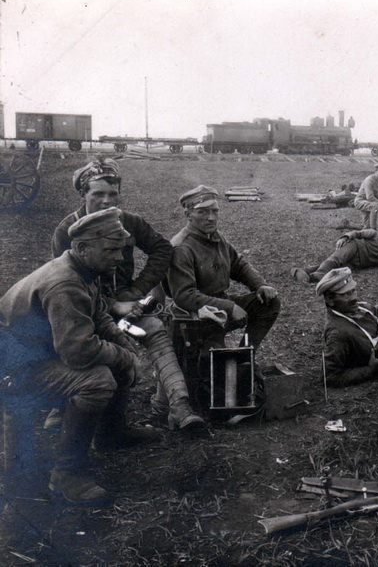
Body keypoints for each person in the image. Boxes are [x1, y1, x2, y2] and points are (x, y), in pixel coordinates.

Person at [0, 208, 161, 505]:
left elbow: (99, 316)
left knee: (114, 358)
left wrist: (123, 346)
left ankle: (111, 434)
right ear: (82, 248)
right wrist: (124, 358)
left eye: (120, 249)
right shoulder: (65, 283)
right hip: (14, 370)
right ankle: (66, 474)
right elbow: (78, 351)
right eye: (111, 250)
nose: (118, 257)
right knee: (97, 379)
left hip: (36, 355)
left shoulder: (85, 268)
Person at [51, 157, 203, 431]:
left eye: (113, 194)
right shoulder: (66, 231)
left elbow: (162, 249)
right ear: (82, 194)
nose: (107, 201)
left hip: (125, 305)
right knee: (83, 345)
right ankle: (63, 406)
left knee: (155, 330)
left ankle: (180, 407)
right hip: (82, 310)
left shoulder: (130, 222)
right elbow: (65, 285)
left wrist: (136, 290)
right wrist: (111, 304)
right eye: (98, 194)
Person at [168, 185, 280, 354]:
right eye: (203, 212)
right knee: (214, 365)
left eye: (215, 211)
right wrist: (229, 307)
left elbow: (238, 265)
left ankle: (245, 355)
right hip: (197, 316)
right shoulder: (182, 248)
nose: (211, 218)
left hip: (218, 304)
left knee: (269, 303)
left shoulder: (216, 237)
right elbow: (185, 296)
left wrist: (260, 285)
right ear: (188, 215)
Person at [291, 222, 378, 283]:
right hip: (354, 247)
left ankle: (303, 272)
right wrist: (345, 237)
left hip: (356, 264)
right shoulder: (374, 234)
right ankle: (318, 275)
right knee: (336, 260)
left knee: (338, 269)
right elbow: (358, 233)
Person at [353, 163, 378, 230]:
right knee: (374, 206)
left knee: (366, 227)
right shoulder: (369, 180)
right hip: (361, 201)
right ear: (375, 171)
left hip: (370, 202)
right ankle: (374, 230)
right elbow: (369, 197)